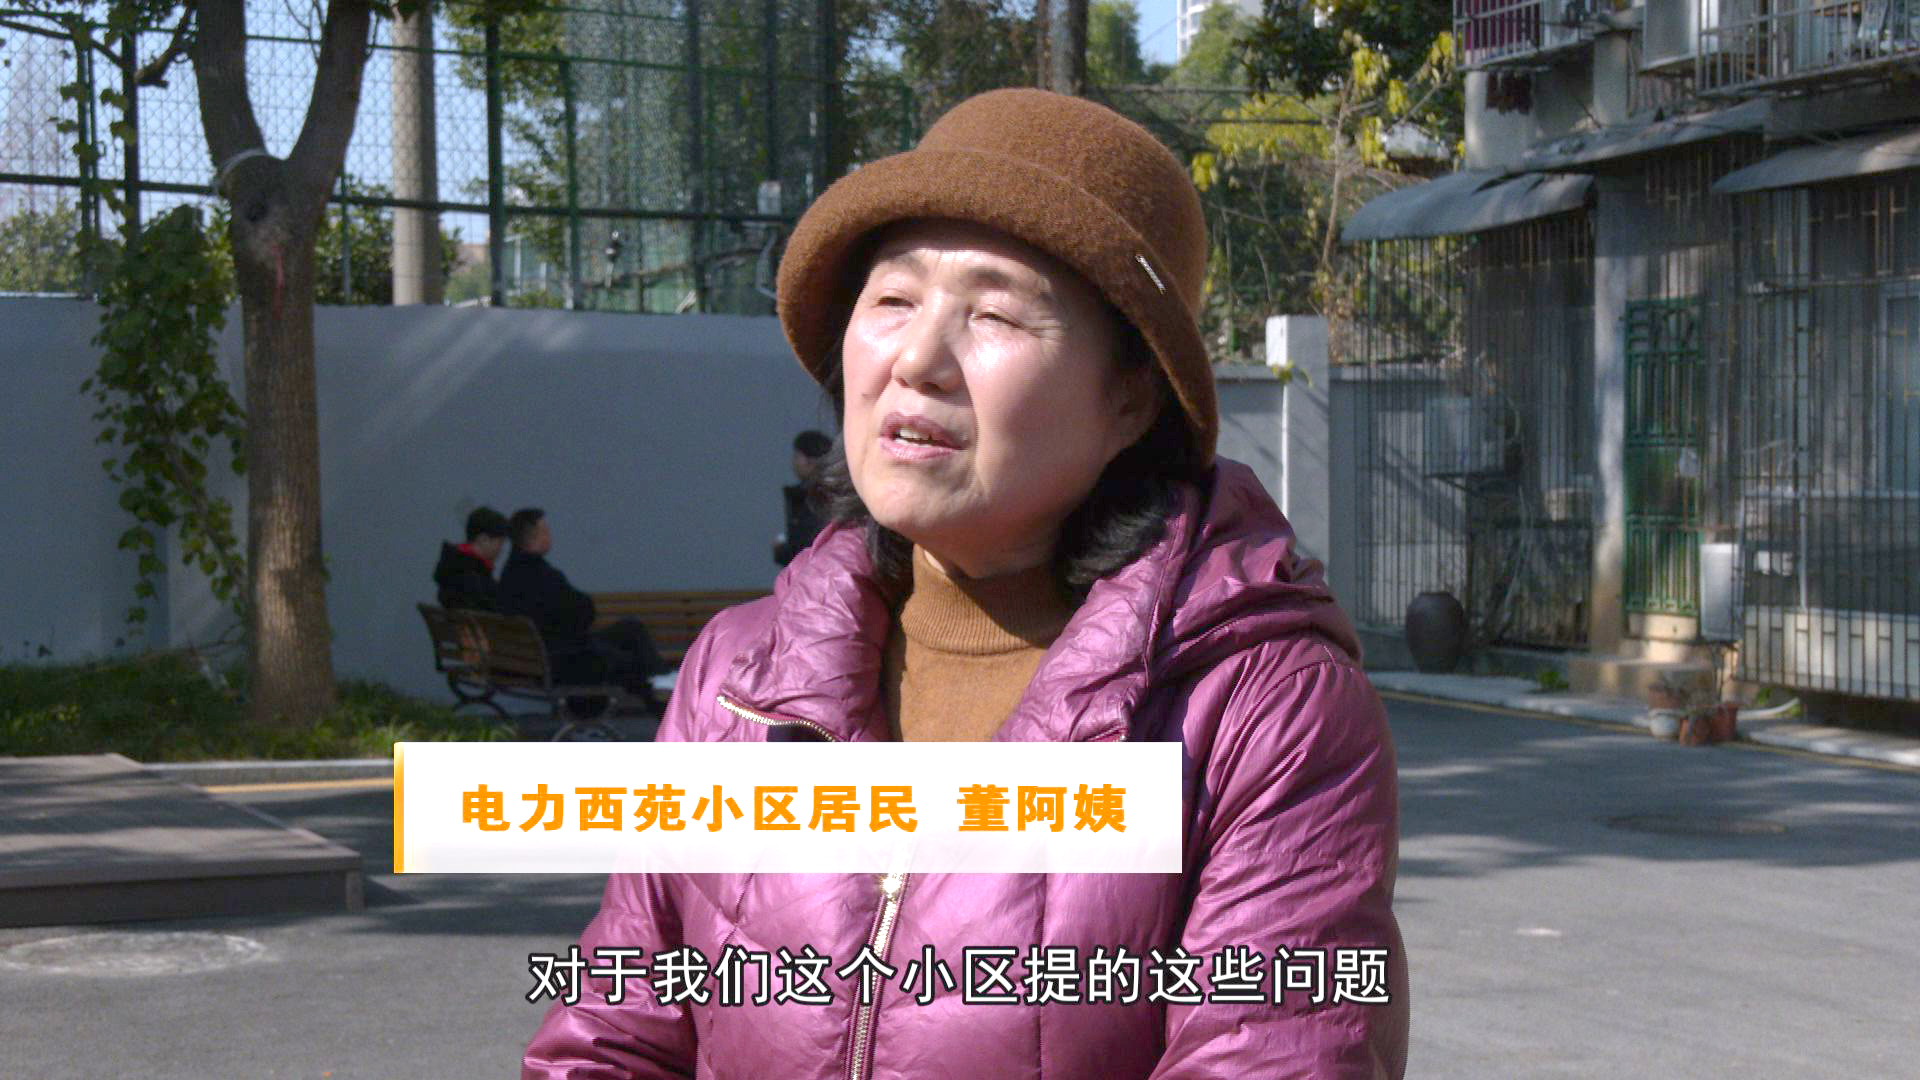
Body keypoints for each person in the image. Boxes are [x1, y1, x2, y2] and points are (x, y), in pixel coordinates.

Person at [524, 89, 1406, 1078]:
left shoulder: (1265, 712)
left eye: (993, 313)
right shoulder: (736, 679)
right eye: (893, 301)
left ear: (1130, 400)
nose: (917, 360)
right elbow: (614, 1033)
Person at [497, 508, 666, 695]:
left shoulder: (511, 574)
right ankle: (667, 692)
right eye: (546, 531)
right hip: (564, 658)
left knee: (631, 630)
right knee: (634, 660)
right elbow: (580, 612)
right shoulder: (541, 576)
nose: (550, 536)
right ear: (534, 537)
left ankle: (665, 686)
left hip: (544, 655)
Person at [773, 428, 832, 566]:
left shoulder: (807, 497)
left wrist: (782, 552)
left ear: (809, 461)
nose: (793, 463)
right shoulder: (837, 493)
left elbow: (803, 544)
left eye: (796, 456)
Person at [431, 506, 509, 611]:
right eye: (500, 542)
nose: (501, 549)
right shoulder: (470, 577)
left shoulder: (453, 567)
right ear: (483, 540)